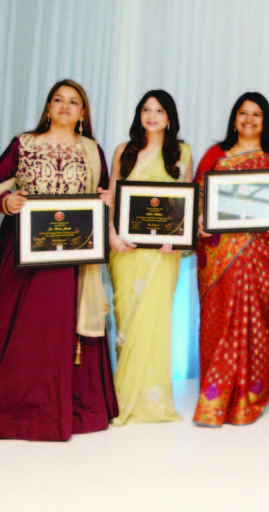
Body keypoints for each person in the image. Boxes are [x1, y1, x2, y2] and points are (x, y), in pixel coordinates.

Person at [0, 79, 119, 440]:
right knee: (21, 327)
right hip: (22, 253)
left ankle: (67, 410)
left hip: (71, 259)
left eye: (73, 102)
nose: (65, 106)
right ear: (48, 107)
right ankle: (16, 411)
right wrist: (7, 203)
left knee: (60, 327)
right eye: (58, 100)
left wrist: (108, 202)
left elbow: (102, 197)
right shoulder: (24, 143)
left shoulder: (91, 149)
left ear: (83, 113)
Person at [192, 92, 269, 427]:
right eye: (242, 113)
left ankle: (253, 391)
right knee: (221, 319)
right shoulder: (215, 154)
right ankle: (216, 395)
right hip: (222, 253)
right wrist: (198, 219)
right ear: (233, 119)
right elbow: (198, 198)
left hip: (264, 251)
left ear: (265, 120)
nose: (249, 120)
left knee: (257, 318)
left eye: (256, 114)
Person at [106, 90, 193, 425]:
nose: (152, 115)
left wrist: (178, 239)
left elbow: (182, 204)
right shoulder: (123, 151)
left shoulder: (182, 152)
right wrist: (112, 237)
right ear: (139, 114)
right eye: (146, 109)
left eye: (159, 110)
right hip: (126, 253)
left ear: (170, 117)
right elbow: (112, 199)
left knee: (155, 322)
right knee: (128, 322)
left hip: (162, 256)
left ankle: (151, 402)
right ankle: (124, 398)